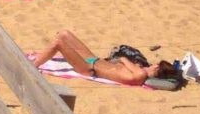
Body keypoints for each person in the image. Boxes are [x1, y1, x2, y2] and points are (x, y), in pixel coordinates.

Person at [30, 31, 177, 87]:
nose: (152, 65)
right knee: (64, 34)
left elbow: (123, 59)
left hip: (88, 69)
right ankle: (39, 58)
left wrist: (131, 64)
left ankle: (32, 65)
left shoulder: (140, 74)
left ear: (157, 69)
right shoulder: (139, 71)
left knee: (58, 43)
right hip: (93, 60)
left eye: (155, 65)